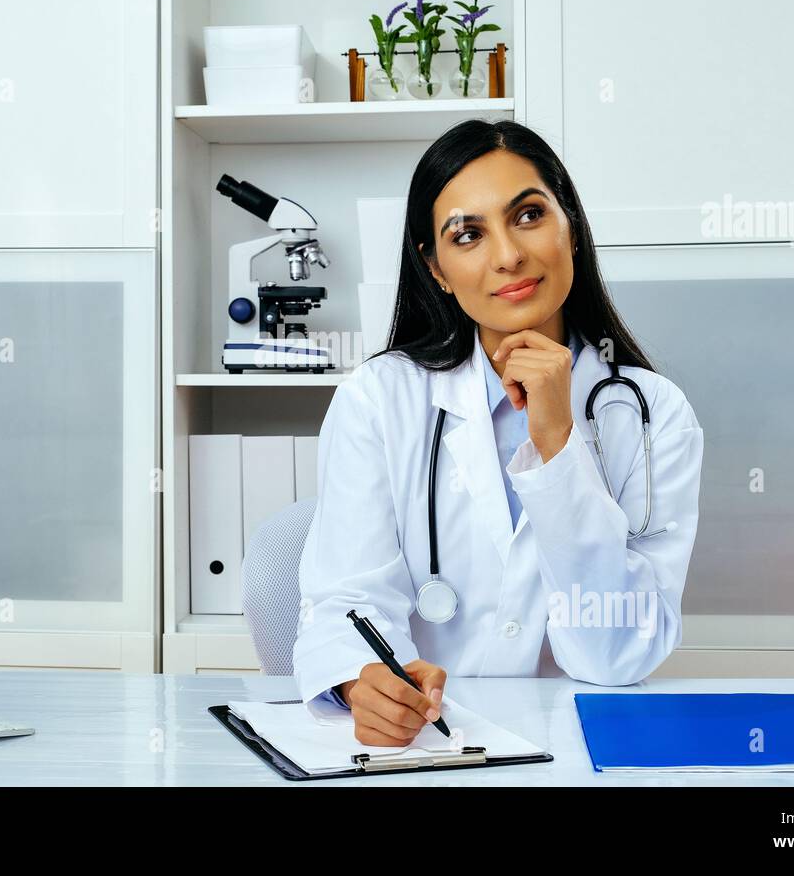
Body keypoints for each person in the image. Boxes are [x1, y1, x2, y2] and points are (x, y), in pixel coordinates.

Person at [292, 119, 705, 747]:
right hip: (426, 749)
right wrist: (362, 680)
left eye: (530, 215)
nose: (508, 254)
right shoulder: (377, 400)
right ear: (436, 269)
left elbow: (616, 653)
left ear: (571, 224)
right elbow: (346, 601)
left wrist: (560, 445)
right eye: (468, 234)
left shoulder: (652, 415)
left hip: (578, 748)